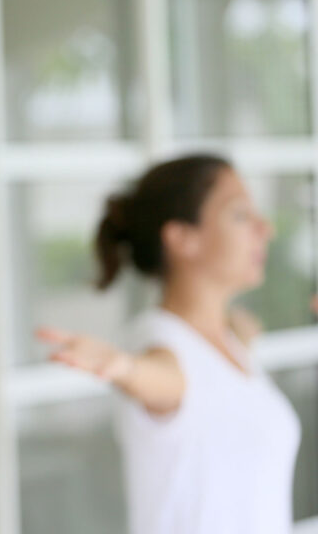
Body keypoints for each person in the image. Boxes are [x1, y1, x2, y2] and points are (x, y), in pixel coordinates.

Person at [37, 154, 301, 534]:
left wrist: (240, 340)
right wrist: (125, 368)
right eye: (240, 215)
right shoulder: (161, 345)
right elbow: (163, 380)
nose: (265, 228)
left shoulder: (228, 342)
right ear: (182, 238)